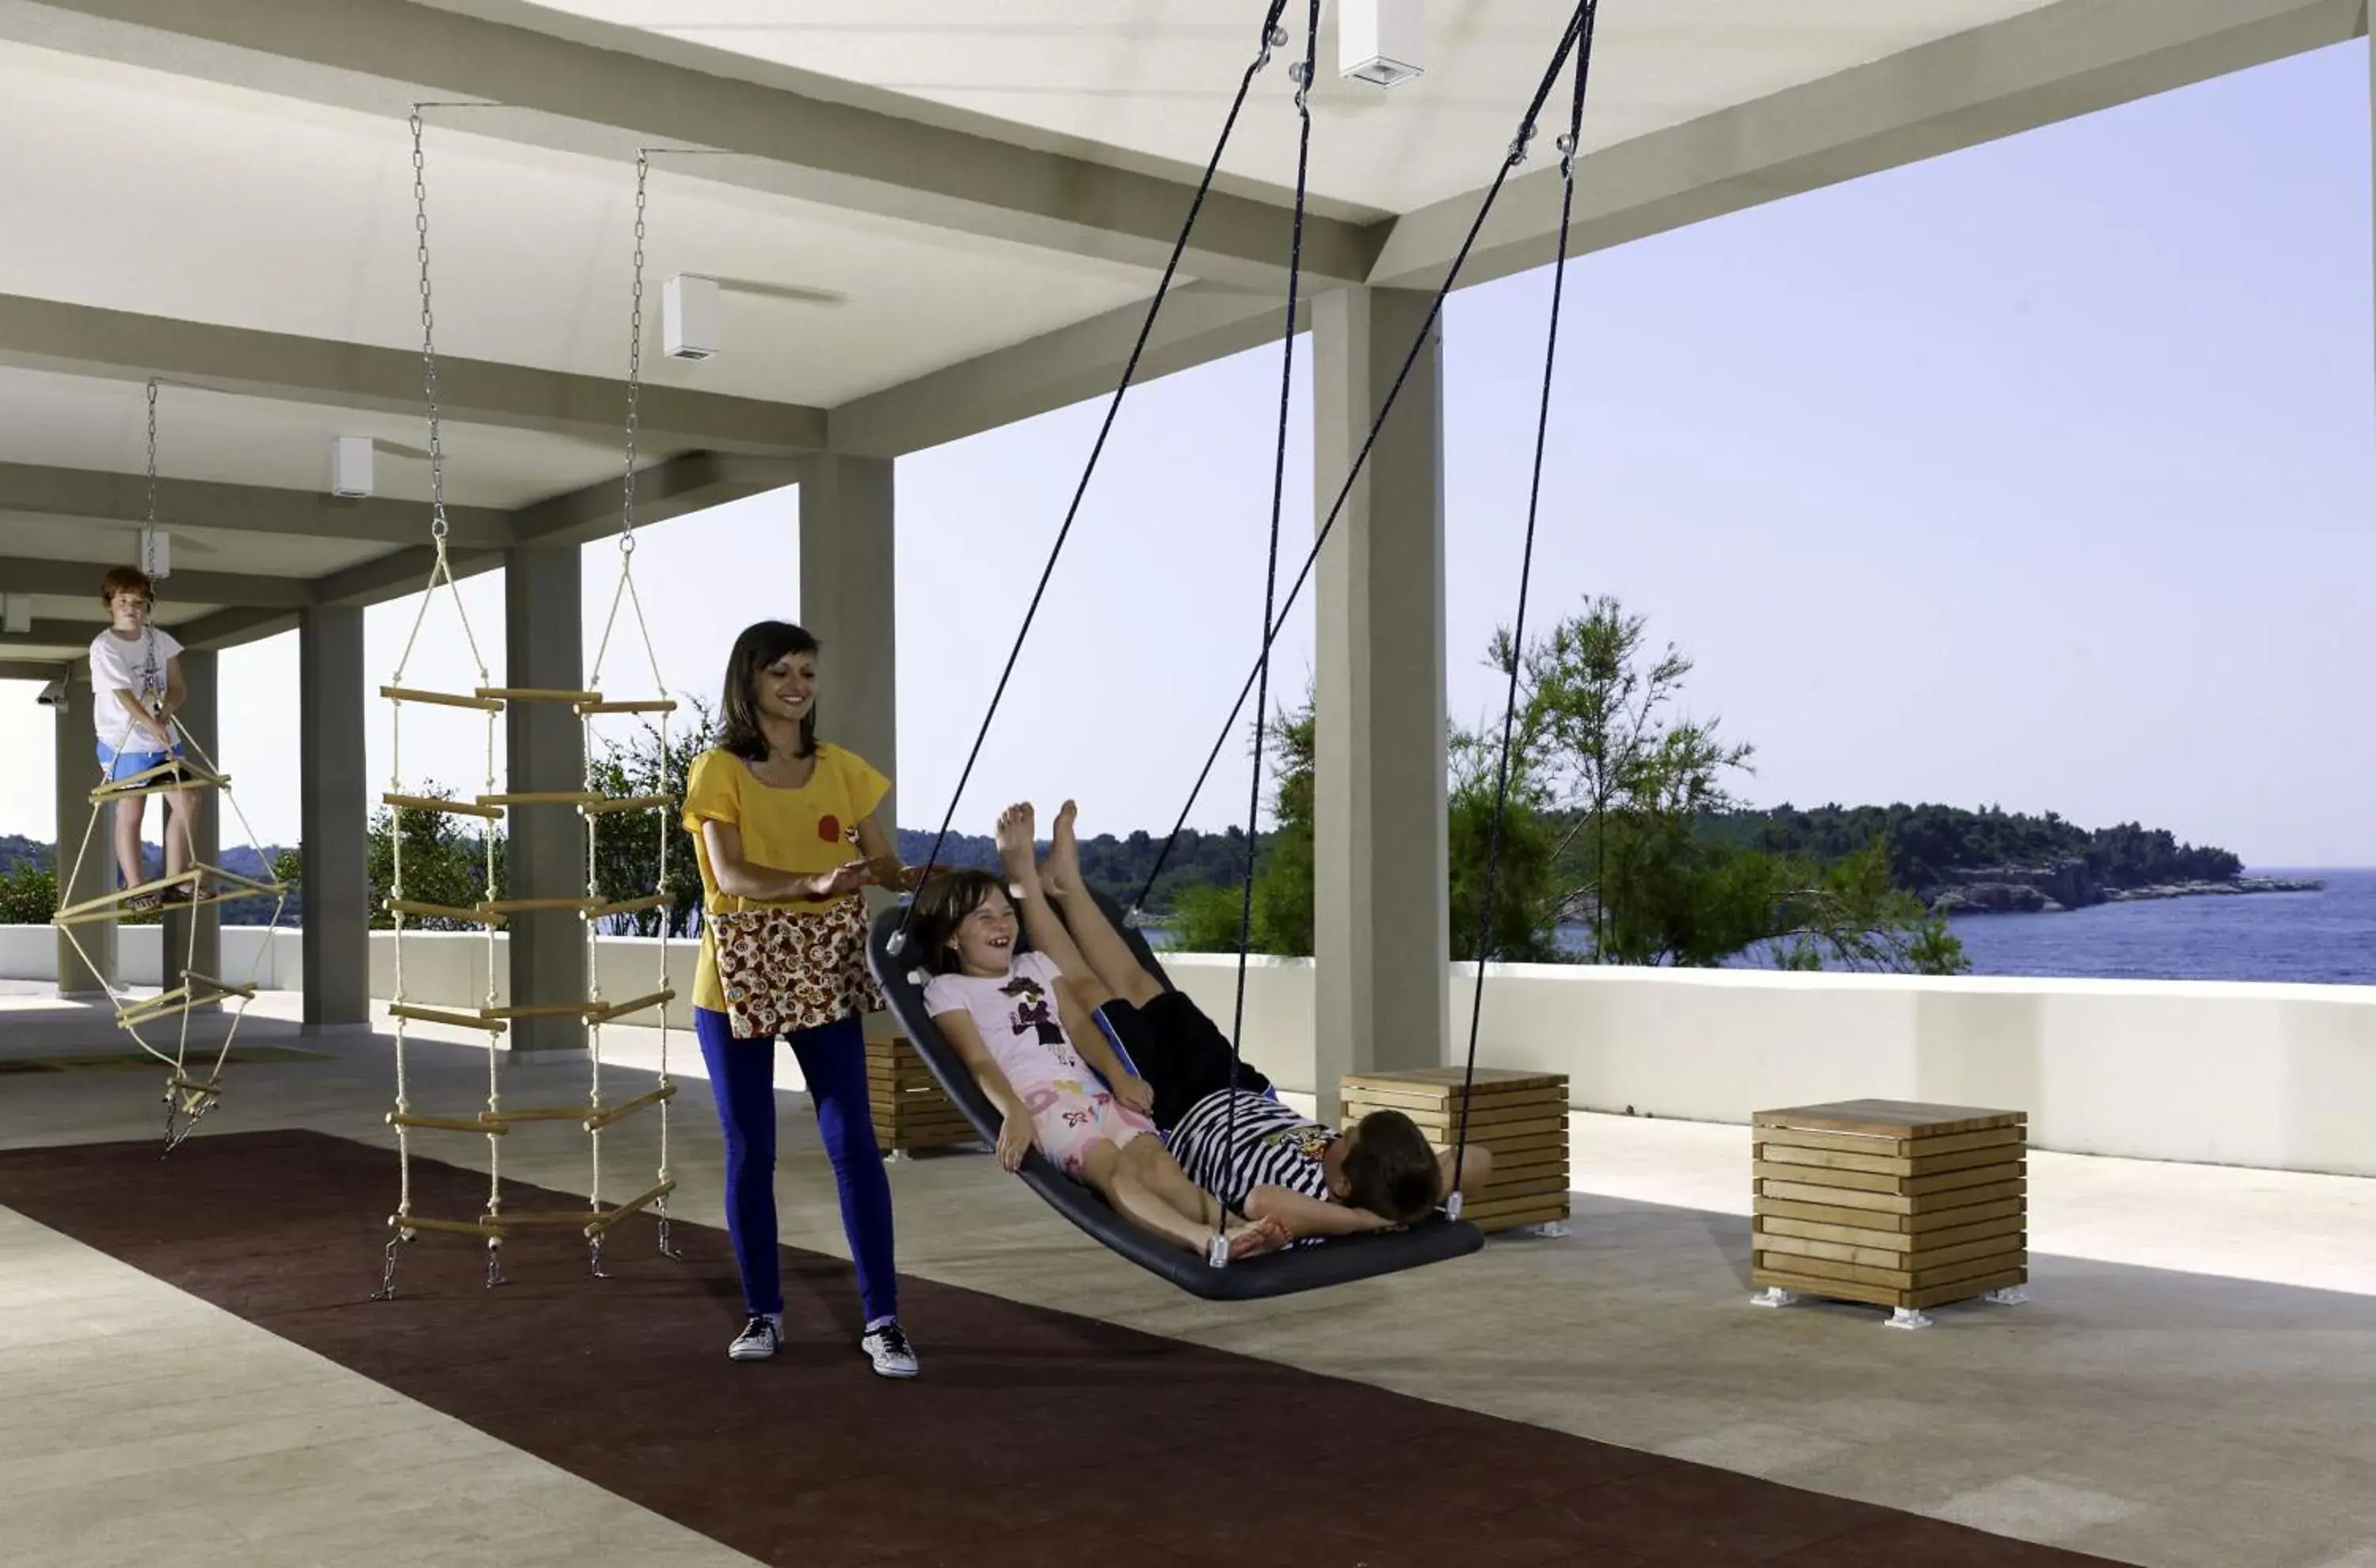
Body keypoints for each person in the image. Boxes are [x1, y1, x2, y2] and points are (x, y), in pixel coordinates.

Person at [1007, 800, 1495, 1245]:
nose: (1337, 1136)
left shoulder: (1315, 1205)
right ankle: (1067, 886)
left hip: (1176, 1107)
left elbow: (1261, 1203)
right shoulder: (1384, 1180)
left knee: (1091, 993)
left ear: (1343, 1186)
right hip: (1239, 1086)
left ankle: (1027, 885)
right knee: (1141, 984)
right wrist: (1423, 1193)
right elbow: (1478, 1160)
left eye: (1345, 1140)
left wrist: (1360, 1222)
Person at [682, 620, 920, 1374]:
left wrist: (934, 879)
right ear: (748, 680)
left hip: (825, 965)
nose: (796, 685)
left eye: (807, 672)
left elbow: (883, 863)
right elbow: (731, 877)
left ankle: (882, 1320)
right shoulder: (716, 770)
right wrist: (813, 883)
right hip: (736, 975)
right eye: (780, 670)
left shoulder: (844, 769)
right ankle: (763, 1314)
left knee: (853, 1142)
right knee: (751, 1150)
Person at [909, 807, 1293, 1265]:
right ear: (952, 938)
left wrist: (1118, 1075)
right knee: (1113, 1171)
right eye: (984, 918)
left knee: (1160, 1167)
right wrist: (1012, 1112)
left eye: (1008, 913)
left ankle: (1236, 1228)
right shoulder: (948, 990)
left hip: (1094, 1092)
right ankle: (1203, 1239)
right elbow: (978, 1062)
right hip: (1043, 1105)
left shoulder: (1035, 966)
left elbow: (1079, 1027)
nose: (1003, 925)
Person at [88, 567, 200, 913]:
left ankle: (175, 881)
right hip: (125, 740)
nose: (131, 608)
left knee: (188, 800)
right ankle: (136, 886)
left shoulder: (159, 640)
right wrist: (150, 724)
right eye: (124, 601)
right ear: (110, 604)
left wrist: (167, 710)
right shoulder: (104, 646)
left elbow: (178, 683)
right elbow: (122, 694)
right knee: (132, 808)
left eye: (138, 602)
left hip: (161, 736)